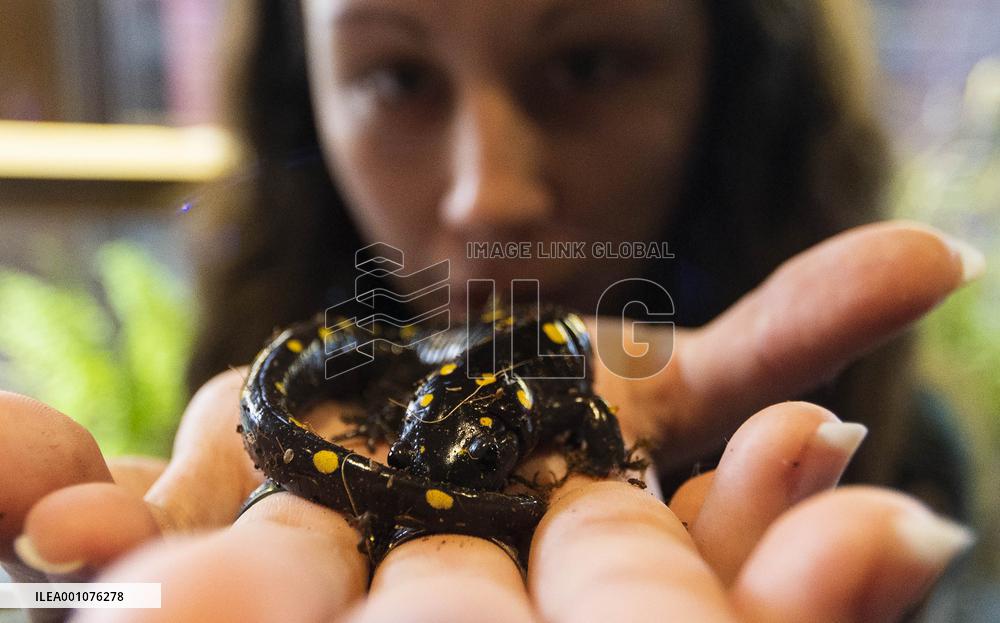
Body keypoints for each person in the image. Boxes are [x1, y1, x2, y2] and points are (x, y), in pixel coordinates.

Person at [0, 1, 984, 621]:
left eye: (589, 62)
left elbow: (585, 414)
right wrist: (72, 600)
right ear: (303, 100)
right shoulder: (263, 386)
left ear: (732, 81)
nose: (487, 197)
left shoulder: (906, 456)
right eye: (397, 74)